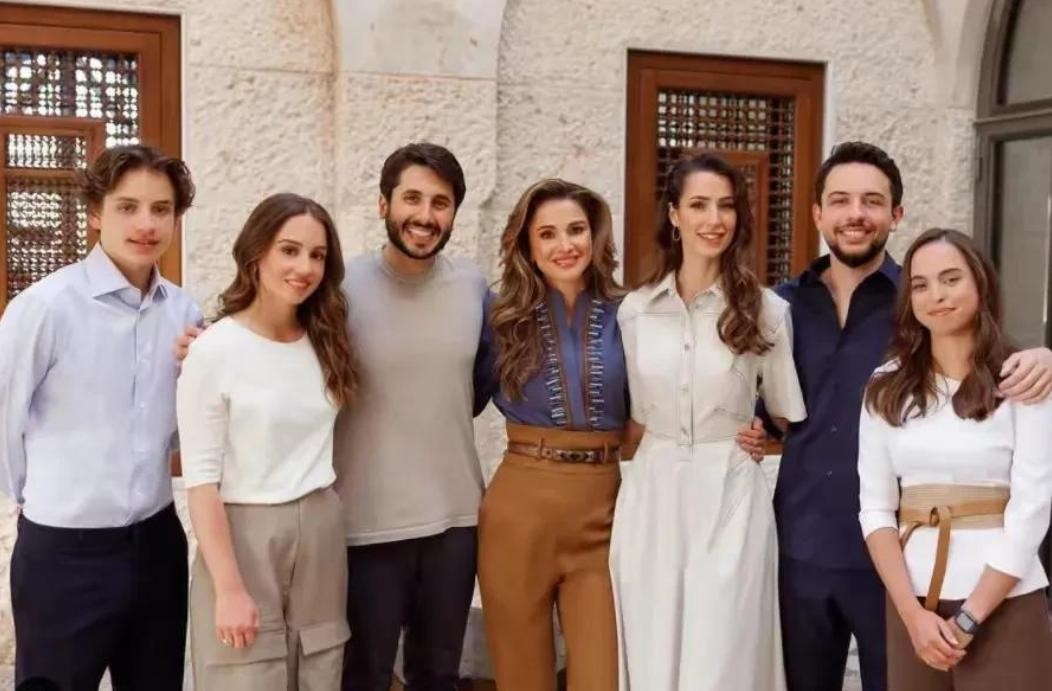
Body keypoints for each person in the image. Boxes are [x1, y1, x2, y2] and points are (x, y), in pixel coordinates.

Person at [767, 142, 1052, 691]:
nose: (856, 213)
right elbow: (763, 406)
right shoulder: (782, 308)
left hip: (897, 564)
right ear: (817, 213)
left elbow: (1032, 495)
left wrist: (1046, 358)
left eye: (872, 201)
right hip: (806, 548)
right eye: (840, 200)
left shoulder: (919, 299)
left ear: (896, 214)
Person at [0, 144, 199, 690]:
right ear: (95, 212)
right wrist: (40, 500)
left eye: (161, 209)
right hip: (64, 553)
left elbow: (181, 430)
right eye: (127, 207)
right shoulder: (45, 307)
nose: (146, 224)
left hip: (157, 544)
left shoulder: (185, 312)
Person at [611, 152, 806, 690]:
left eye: (726, 206)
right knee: (652, 652)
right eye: (698, 205)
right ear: (674, 215)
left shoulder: (767, 311)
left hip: (731, 498)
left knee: (723, 660)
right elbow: (631, 419)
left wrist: (762, 432)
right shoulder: (634, 311)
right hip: (652, 496)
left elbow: (786, 416)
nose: (713, 219)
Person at [859, 227, 1052, 690]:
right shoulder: (884, 386)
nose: (936, 296)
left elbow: (1032, 509)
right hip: (915, 608)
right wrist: (911, 614)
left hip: (1006, 601)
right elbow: (875, 508)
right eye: (920, 285)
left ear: (980, 283)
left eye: (951, 279)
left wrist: (970, 617)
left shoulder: (1022, 379)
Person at [178, 193, 357, 689]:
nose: (305, 268)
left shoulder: (327, 340)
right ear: (256, 254)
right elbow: (201, 482)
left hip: (320, 530)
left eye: (317, 255)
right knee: (246, 673)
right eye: (289, 250)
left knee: (320, 667)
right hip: (243, 534)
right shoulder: (214, 350)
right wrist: (229, 589)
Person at [334, 143, 490, 691]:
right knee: (364, 677)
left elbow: (474, 389)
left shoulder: (473, 288)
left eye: (440, 203)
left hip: (455, 523)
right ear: (384, 204)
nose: (425, 215)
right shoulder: (340, 287)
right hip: (365, 524)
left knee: (438, 677)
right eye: (412, 198)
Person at [476, 179, 625, 691]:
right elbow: (454, 395)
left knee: (603, 677)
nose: (565, 245)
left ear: (595, 235)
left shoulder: (632, 312)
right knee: (521, 677)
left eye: (576, 230)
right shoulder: (498, 317)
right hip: (520, 509)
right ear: (527, 246)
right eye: (548, 234)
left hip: (606, 512)